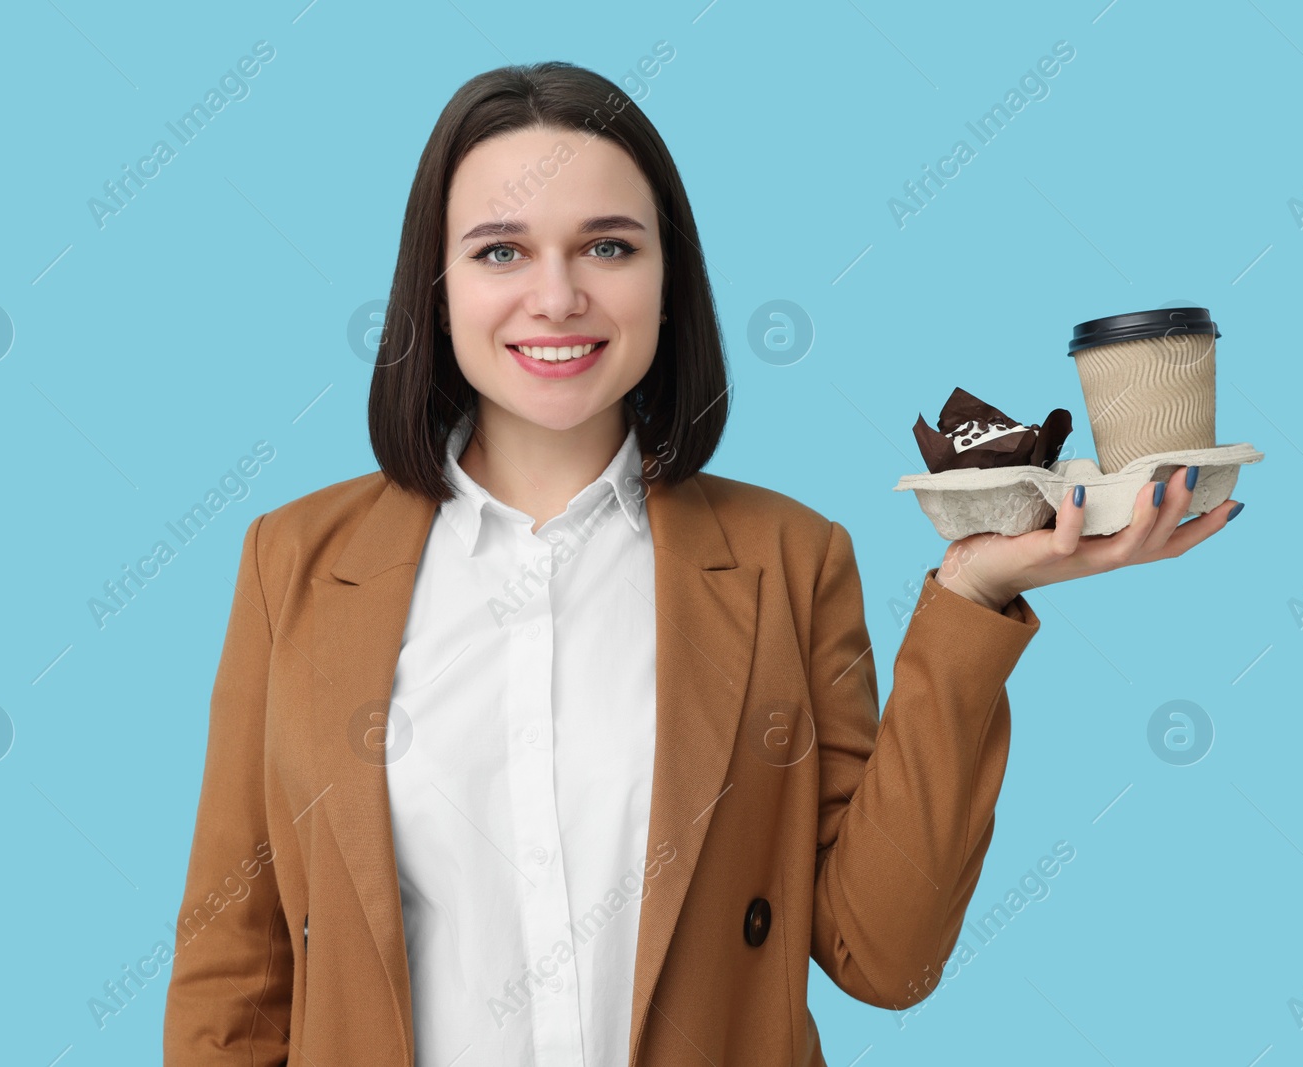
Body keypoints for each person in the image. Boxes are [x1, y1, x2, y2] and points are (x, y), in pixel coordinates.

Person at [162, 61, 1243, 1066]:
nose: (556, 297)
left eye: (608, 245)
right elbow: (231, 972)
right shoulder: (292, 562)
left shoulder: (788, 558)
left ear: (668, 279)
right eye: (500, 250)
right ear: (433, 287)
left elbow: (886, 954)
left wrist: (972, 598)